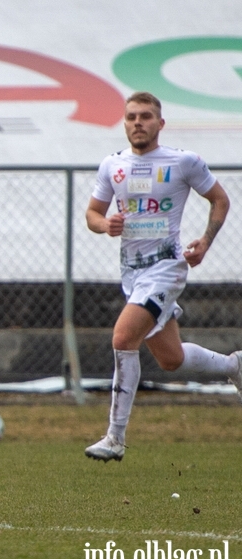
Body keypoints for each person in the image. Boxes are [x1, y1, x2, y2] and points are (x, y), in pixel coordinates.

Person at [84, 92, 242, 462]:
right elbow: (92, 213)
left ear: (160, 123)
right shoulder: (112, 166)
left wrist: (204, 242)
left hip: (167, 267)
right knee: (171, 359)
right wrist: (106, 224)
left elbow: (220, 199)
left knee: (123, 338)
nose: (138, 123)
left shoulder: (183, 162)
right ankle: (236, 365)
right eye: (132, 117)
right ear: (124, 123)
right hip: (132, 273)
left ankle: (115, 438)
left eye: (146, 116)